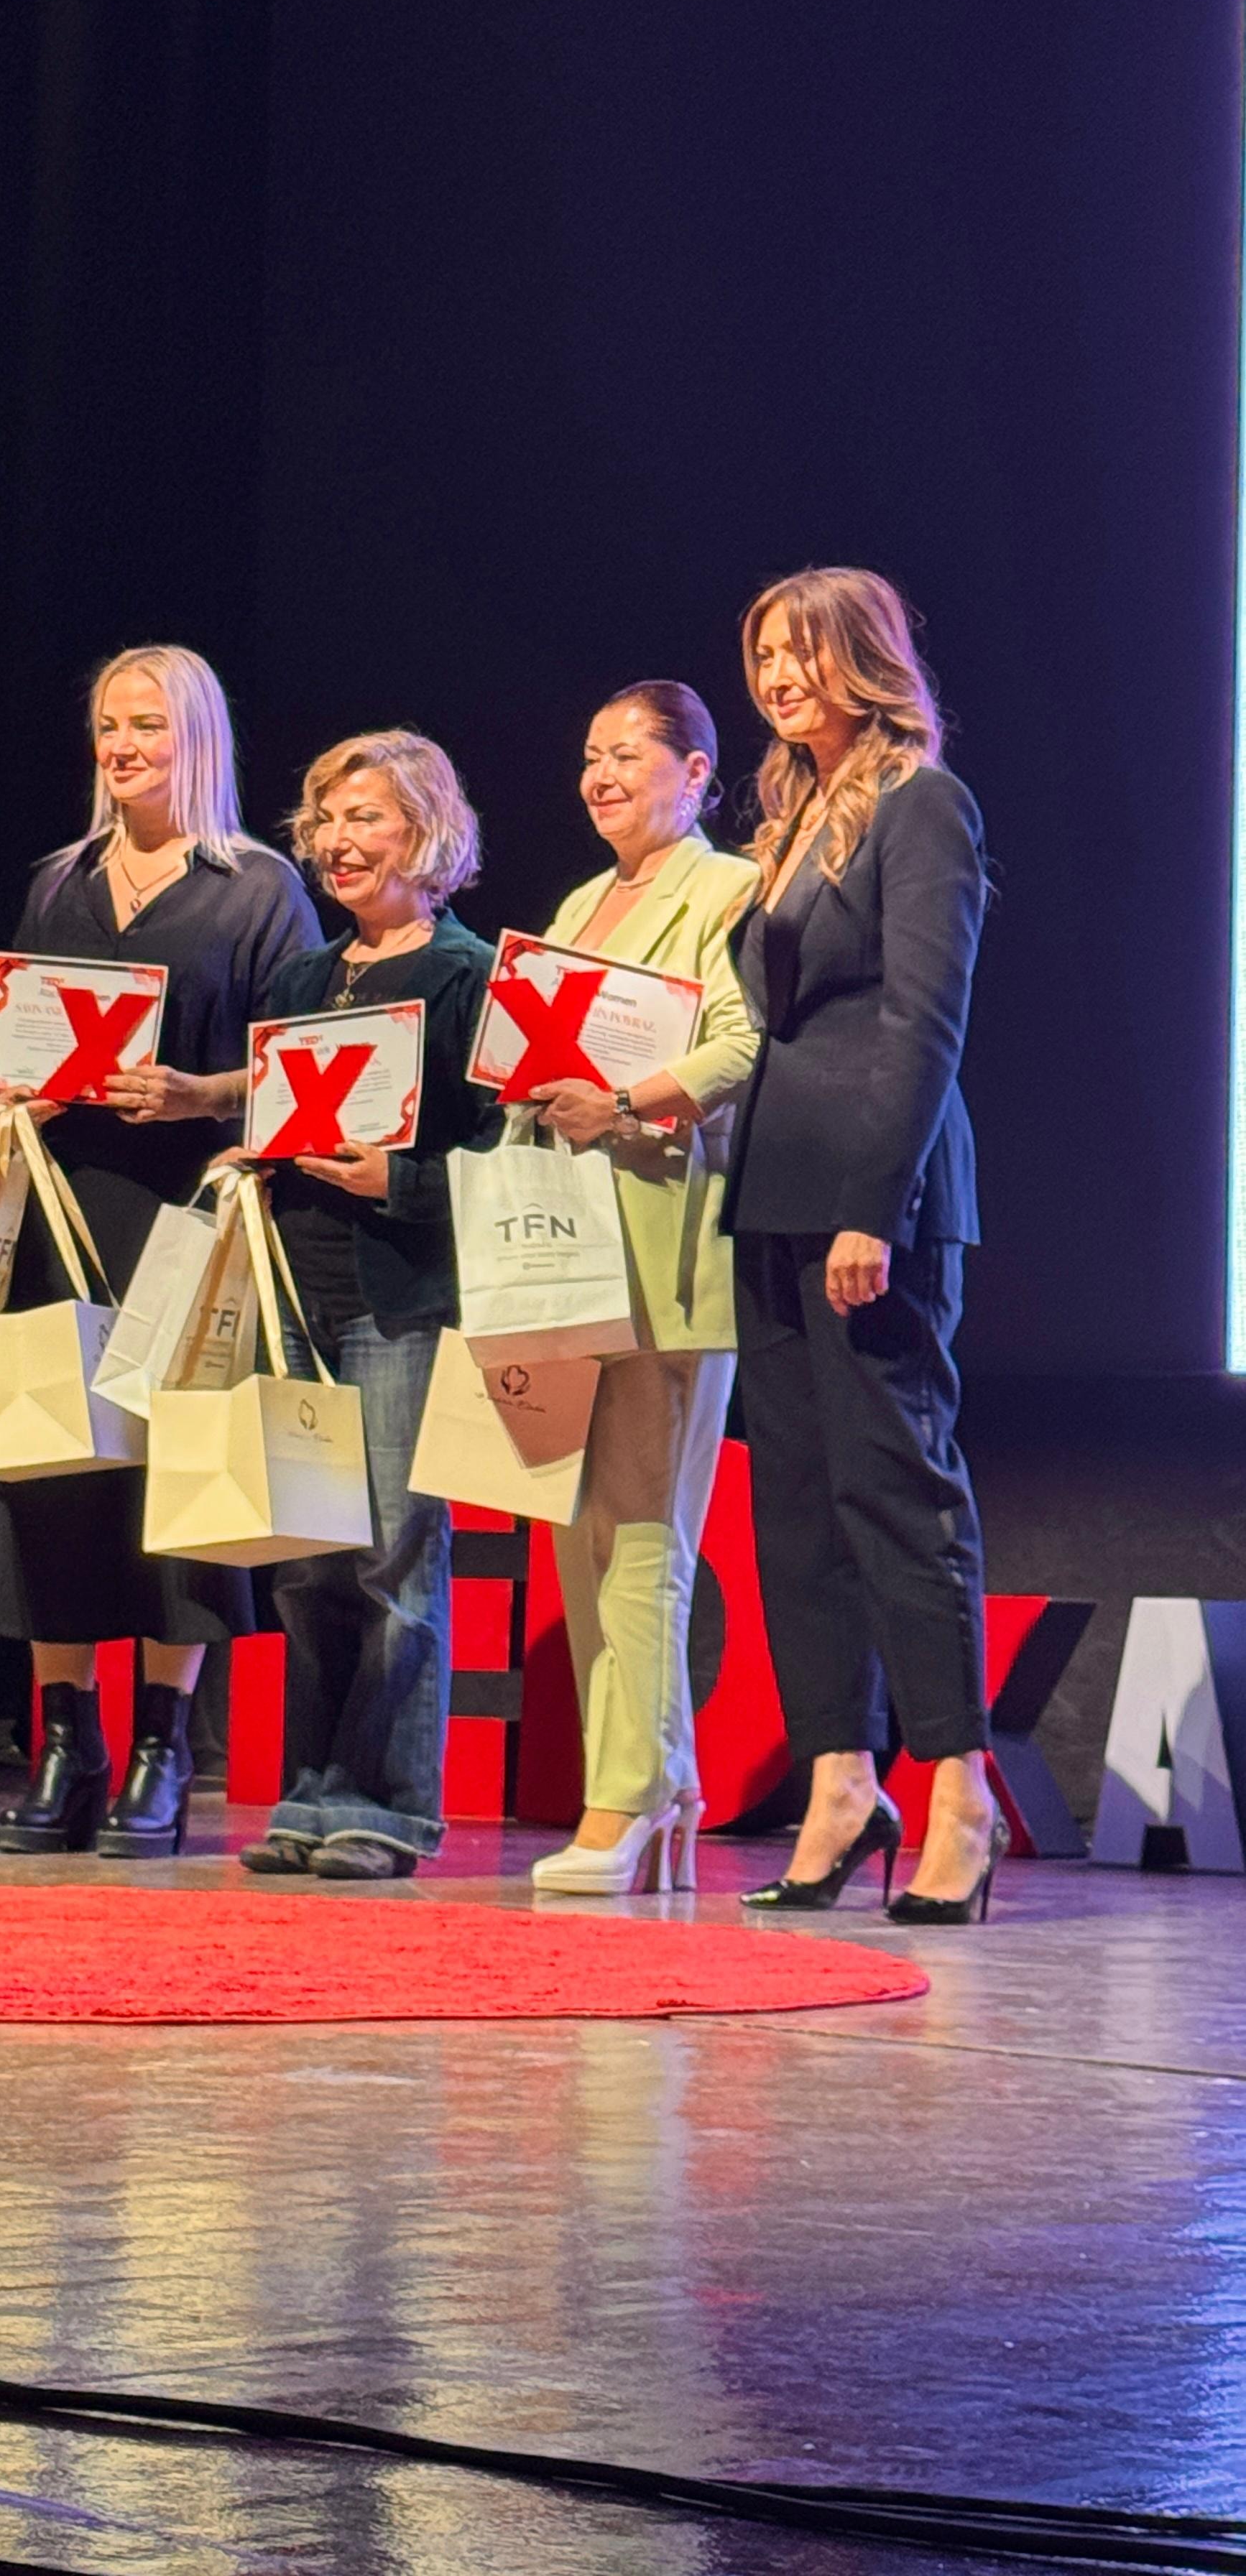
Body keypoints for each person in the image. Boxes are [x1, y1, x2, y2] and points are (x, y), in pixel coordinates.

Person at [0, 644, 319, 1855]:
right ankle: (67, 1744)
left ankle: (163, 1749)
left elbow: (306, 1068)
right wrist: (19, 1094)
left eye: (148, 724)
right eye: (109, 725)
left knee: (171, 1482)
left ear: (195, 737)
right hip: (61, 1213)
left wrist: (202, 1095)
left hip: (179, 1218)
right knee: (51, 1472)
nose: (123, 747)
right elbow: (12, 1046)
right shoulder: (59, 882)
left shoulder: (258, 890)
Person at [723, 567, 1005, 1924]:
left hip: (869, 1194)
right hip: (770, 1190)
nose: (781, 677)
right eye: (766, 656)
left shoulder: (921, 803)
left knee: (897, 1488)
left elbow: (923, 1020)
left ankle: (958, 1789)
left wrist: (871, 1206)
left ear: (867, 660)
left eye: (806, 651)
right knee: (796, 1503)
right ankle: (841, 1782)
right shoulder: (792, 815)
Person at [218, 731, 494, 1881]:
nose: (338, 841)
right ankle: (315, 1789)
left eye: (365, 818)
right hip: (299, 1291)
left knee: (392, 1559)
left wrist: (401, 1182)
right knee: (306, 1564)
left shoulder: (468, 976)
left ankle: (391, 1806)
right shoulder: (300, 981)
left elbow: (504, 1158)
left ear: (425, 831)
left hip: (402, 1298)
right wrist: (254, 1157)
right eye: (326, 820)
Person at [522, 683, 760, 1896]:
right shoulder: (579, 904)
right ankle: (654, 1788)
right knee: (585, 1534)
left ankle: (630, 1797)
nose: (601, 775)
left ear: (697, 772)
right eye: (589, 755)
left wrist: (621, 1102)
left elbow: (743, 1046)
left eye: (627, 754)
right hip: (567, 1247)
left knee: (646, 1533)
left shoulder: (728, 890)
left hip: (665, 1241)